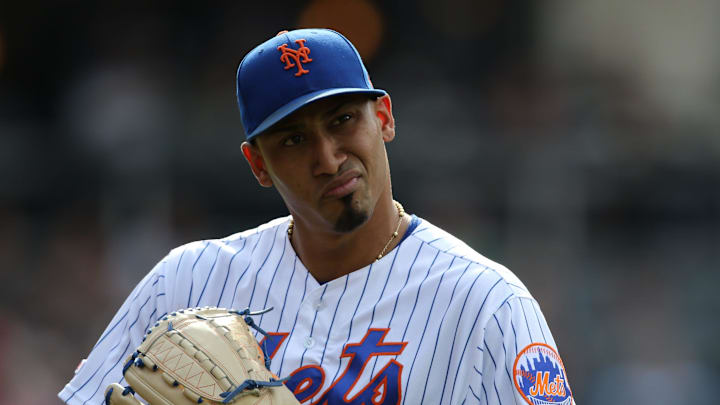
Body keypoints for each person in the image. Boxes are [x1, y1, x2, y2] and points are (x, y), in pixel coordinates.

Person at [59, 28, 575, 405]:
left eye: (343, 120)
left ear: (384, 118)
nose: (328, 158)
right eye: (294, 139)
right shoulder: (185, 281)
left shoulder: (486, 303)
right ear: (258, 165)